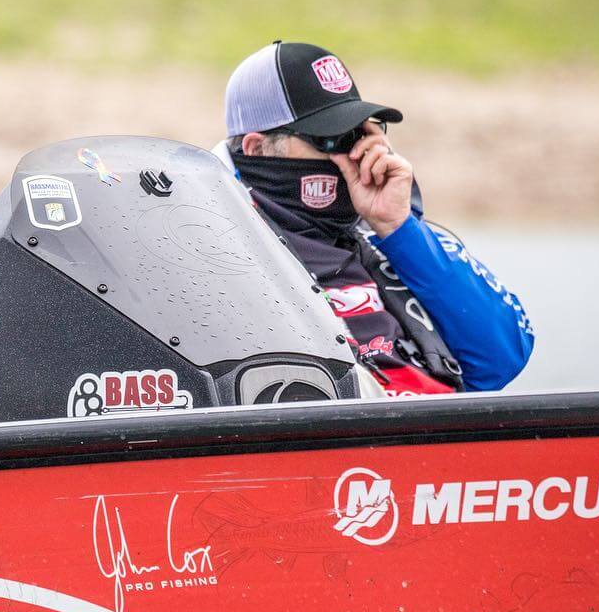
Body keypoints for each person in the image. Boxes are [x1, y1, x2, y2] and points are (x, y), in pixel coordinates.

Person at [215, 41, 533, 396]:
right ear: (257, 149)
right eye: (328, 139)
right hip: (343, 440)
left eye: (355, 134)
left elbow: (502, 359)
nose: (353, 155)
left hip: (433, 432)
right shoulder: (218, 242)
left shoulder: (382, 234)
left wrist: (398, 228)